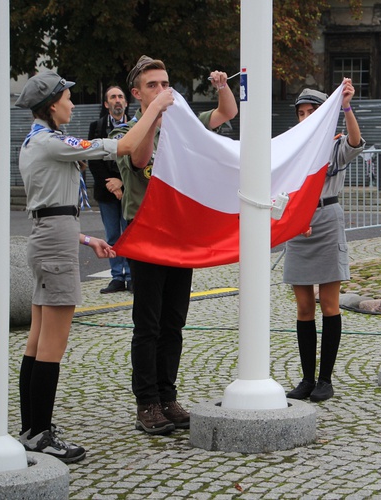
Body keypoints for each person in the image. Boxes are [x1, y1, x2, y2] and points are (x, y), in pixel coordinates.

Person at [14, 70, 174, 462]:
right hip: (54, 244)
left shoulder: (35, 141)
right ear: (52, 105)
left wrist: (87, 238)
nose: (72, 103)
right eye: (67, 97)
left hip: (51, 236)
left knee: (36, 340)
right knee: (53, 343)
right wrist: (154, 108)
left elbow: (49, 208)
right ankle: (40, 434)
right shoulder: (53, 142)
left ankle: (33, 428)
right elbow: (122, 145)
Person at [111, 56, 238, 435]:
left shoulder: (182, 126)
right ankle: (146, 403)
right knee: (147, 323)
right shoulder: (133, 130)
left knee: (174, 322)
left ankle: (168, 396)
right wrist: (155, 114)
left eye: (165, 83)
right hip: (147, 233)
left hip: (179, 234)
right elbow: (141, 158)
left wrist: (221, 85)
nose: (162, 90)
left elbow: (225, 112)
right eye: (153, 85)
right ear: (136, 93)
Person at [283, 79, 365, 402]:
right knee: (304, 307)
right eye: (300, 113)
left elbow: (356, 142)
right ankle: (306, 379)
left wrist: (345, 106)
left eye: (310, 112)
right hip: (299, 229)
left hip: (327, 222)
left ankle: (325, 379)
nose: (304, 118)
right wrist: (292, 218)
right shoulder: (293, 147)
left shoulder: (334, 144)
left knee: (329, 305)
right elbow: (283, 189)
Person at [88, 85, 132, 293]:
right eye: (113, 97)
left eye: (120, 97)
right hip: (107, 192)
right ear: (106, 104)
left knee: (130, 234)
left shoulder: (135, 125)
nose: (117, 100)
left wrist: (122, 182)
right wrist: (111, 183)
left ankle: (133, 276)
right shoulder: (96, 126)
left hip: (130, 189)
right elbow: (93, 159)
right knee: (113, 235)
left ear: (126, 102)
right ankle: (117, 276)